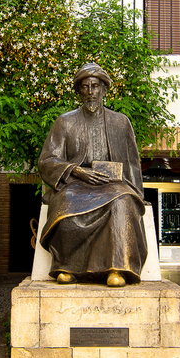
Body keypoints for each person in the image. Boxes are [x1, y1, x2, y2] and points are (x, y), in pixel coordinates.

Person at [38, 63, 148, 287]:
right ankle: (67, 266)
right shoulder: (65, 121)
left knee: (123, 201)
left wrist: (137, 192)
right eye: (85, 87)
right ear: (79, 91)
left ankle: (117, 268)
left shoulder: (120, 122)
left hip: (113, 183)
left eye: (95, 86)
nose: (90, 92)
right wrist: (77, 170)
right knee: (66, 202)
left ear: (104, 90)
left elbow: (132, 163)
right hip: (75, 182)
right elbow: (47, 160)